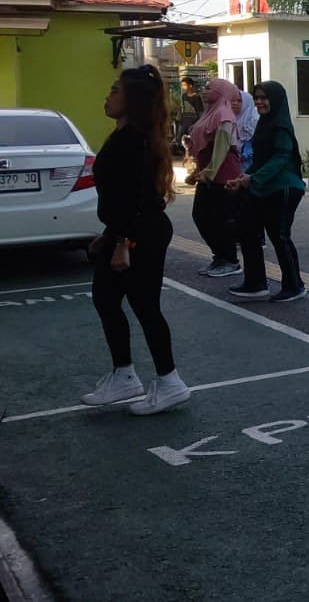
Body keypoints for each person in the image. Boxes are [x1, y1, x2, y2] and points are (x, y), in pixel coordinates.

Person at [79, 65, 191, 415]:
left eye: (115, 91)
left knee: (144, 305)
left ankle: (170, 382)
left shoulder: (135, 141)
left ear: (132, 100)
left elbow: (134, 197)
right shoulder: (125, 135)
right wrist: (109, 235)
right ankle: (124, 376)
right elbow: (119, 197)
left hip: (141, 232)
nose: (108, 96)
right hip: (128, 229)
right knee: (106, 299)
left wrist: (122, 242)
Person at [227, 81, 307, 303]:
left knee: (279, 236)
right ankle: (255, 283)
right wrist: (243, 178)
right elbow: (261, 159)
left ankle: (294, 285)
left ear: (276, 100)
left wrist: (253, 178)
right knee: (246, 229)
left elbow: (281, 156)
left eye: (264, 98)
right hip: (263, 187)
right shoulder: (264, 123)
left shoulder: (280, 125)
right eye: (257, 98)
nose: (259, 102)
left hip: (284, 188)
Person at [185, 77, 244, 279]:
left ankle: (230, 261)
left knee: (221, 220)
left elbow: (221, 149)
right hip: (208, 176)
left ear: (220, 92)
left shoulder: (224, 115)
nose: (204, 91)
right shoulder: (210, 113)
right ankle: (219, 256)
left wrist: (208, 173)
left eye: (209, 88)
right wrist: (198, 172)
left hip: (223, 177)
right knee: (201, 216)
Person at [176, 75, 203, 158]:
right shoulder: (183, 96)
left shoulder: (197, 97)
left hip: (193, 121)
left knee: (192, 139)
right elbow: (182, 108)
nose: (183, 87)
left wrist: (200, 122)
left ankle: (193, 156)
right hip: (185, 121)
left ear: (190, 85)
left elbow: (200, 111)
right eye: (182, 85)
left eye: (184, 85)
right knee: (183, 138)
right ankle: (186, 155)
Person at [233, 89, 258, 172]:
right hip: (233, 165)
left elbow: (258, 145)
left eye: (239, 101)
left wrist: (245, 155)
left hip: (250, 166)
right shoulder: (229, 119)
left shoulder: (254, 121)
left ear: (247, 103)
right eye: (233, 100)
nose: (234, 103)